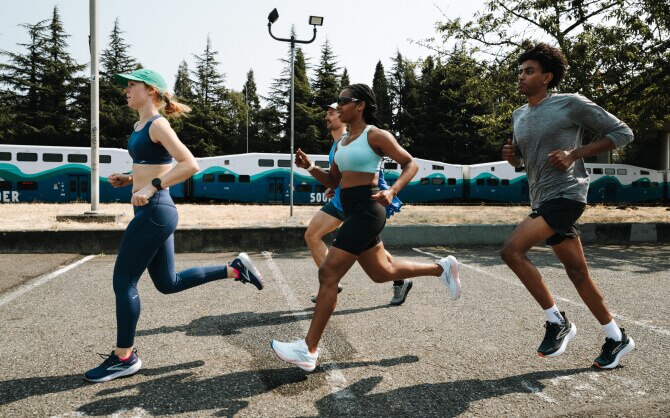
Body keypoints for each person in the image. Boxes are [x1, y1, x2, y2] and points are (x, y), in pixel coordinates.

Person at [84, 69, 264, 383]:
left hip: (156, 210)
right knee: (168, 283)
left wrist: (151, 186)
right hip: (151, 211)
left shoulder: (158, 124)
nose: (126, 90)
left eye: (132, 85)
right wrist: (130, 178)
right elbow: (156, 164)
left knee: (124, 282)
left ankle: (124, 357)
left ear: (151, 91)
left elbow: (189, 164)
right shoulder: (140, 125)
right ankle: (235, 269)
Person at [271, 84, 461, 372]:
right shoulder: (342, 143)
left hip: (368, 209)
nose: (338, 106)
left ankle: (308, 350)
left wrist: (392, 191)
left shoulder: (375, 135)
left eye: (343, 101)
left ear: (359, 105)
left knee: (328, 273)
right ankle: (441, 268)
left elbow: (410, 164)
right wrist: (309, 167)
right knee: (381, 272)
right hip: (351, 210)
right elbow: (334, 181)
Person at [500, 43, 635, 369]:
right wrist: (513, 159)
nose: (521, 76)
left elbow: (623, 133)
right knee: (577, 273)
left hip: (567, 195)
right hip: (542, 197)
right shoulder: (519, 115)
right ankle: (617, 337)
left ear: (547, 77)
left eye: (529, 71)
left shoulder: (569, 103)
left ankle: (557, 321)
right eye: (520, 71)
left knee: (512, 251)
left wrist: (575, 154)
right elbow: (525, 162)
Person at [305, 102, 410, 306]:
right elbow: (340, 175)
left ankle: (402, 278)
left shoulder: (358, 139)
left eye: (332, 113)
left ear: (344, 116)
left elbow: (369, 173)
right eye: (327, 113)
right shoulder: (337, 144)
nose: (327, 117)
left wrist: (389, 192)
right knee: (312, 235)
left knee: (369, 250)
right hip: (340, 201)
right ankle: (331, 283)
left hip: (361, 204)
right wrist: (333, 186)